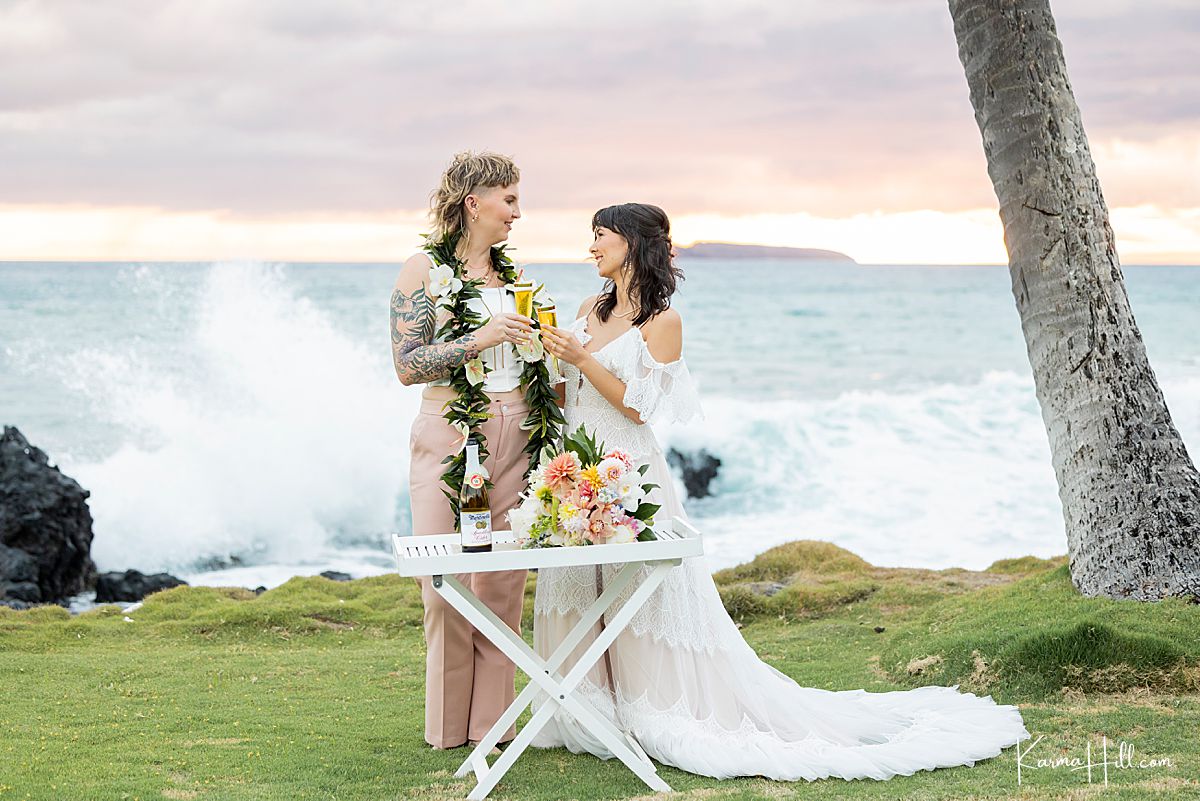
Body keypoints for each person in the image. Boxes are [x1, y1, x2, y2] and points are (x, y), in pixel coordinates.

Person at [537, 202, 1029, 781]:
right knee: (578, 584)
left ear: (632, 243)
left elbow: (640, 408)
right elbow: (571, 393)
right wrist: (550, 370)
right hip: (579, 463)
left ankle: (650, 706)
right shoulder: (586, 310)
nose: (591, 246)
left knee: (642, 595)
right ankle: (588, 707)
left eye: (600, 236)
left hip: (630, 469)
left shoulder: (663, 322)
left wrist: (580, 358)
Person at [391, 151, 535, 751]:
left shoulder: (513, 277)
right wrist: (477, 340)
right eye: (509, 200)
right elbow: (406, 366)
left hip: (520, 427)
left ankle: (492, 728)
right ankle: (449, 731)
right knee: (441, 573)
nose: (517, 213)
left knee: (501, 578)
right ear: (474, 200)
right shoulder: (420, 269)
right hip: (448, 426)